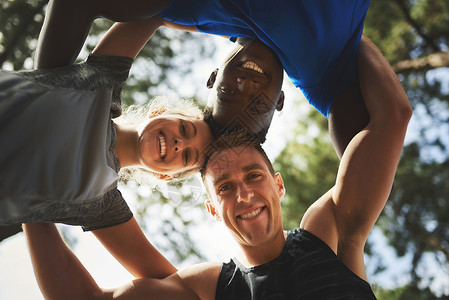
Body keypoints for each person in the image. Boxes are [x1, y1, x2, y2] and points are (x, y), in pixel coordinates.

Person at [24, 36, 412, 299]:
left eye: (254, 176)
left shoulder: (328, 234)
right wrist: (34, 205)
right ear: (212, 208)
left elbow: (393, 116)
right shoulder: (210, 289)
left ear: (278, 185)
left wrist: (325, 29)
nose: (243, 194)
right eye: (224, 188)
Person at [1, 10, 213, 280]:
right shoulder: (102, 81)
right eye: (184, 129)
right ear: (159, 111)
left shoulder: (101, 205)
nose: (178, 144)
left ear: (165, 176)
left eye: (186, 157)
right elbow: (155, 14)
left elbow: (172, 283)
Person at [34, 0, 371, 156]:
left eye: (228, 94)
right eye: (256, 106)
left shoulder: (195, 9)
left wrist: (46, 105)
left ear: (213, 78)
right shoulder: (324, 73)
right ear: (279, 102)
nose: (246, 87)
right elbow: (363, 166)